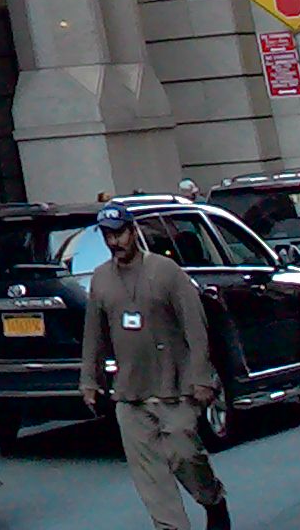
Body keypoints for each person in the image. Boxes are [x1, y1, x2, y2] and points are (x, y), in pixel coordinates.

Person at [80, 202, 230, 530]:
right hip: (130, 392)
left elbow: (195, 326)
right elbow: (94, 334)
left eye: (119, 234)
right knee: (149, 474)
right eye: (107, 236)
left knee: (185, 454)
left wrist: (201, 377)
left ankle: (212, 499)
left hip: (173, 387)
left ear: (133, 232)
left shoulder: (166, 271)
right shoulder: (101, 278)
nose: (114, 242)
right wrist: (89, 380)